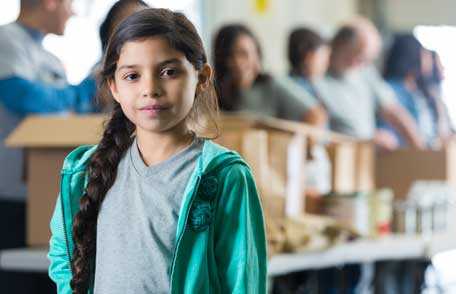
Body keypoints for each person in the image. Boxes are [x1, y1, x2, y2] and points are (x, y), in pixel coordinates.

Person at [48, 8, 267, 294]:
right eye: (132, 76)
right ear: (113, 86)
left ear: (201, 78)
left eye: (168, 72)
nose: (150, 89)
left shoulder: (224, 177)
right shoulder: (83, 171)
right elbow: (64, 257)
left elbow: (243, 281)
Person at [315, 20, 424, 150]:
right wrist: (366, 140)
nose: (358, 63)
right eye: (355, 55)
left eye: (364, 59)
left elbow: (393, 111)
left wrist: (420, 148)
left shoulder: (364, 71)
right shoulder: (316, 75)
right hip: (336, 155)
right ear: (339, 44)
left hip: (363, 157)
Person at [213, 24, 327, 127]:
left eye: (244, 54)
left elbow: (316, 115)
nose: (237, 62)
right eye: (230, 55)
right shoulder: (212, 92)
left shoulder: (271, 84)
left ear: (257, 55)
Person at [380, 34, 446, 148]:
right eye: (424, 55)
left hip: (425, 154)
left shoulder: (418, 91)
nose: (428, 60)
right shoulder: (390, 89)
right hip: (405, 156)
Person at [288, 27, 330, 102]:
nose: (327, 64)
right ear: (308, 57)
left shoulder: (308, 86)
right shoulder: (299, 90)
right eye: (323, 59)